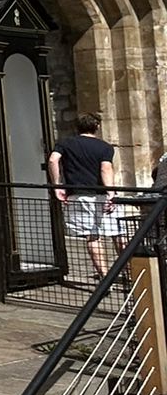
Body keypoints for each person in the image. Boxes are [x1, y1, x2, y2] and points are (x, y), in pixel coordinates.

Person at [48, 114, 119, 280]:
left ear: (77, 127)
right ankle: (131, 272)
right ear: (97, 127)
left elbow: (52, 160)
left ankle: (105, 277)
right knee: (118, 234)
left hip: (78, 195)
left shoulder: (65, 143)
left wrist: (57, 185)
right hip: (101, 194)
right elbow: (106, 169)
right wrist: (111, 193)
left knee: (92, 236)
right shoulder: (105, 147)